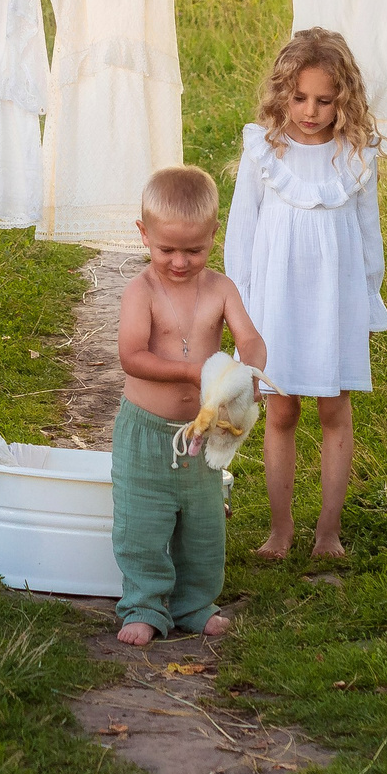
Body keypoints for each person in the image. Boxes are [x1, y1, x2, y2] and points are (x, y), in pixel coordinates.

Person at [226, 28, 386, 560]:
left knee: (334, 410)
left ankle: (328, 533)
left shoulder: (355, 158)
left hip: (334, 303)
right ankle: (280, 529)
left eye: (324, 100)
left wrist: (367, 298)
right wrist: (242, 310)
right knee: (281, 412)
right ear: (282, 94)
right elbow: (242, 232)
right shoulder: (263, 150)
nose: (310, 111)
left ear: (345, 99)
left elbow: (368, 235)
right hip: (276, 301)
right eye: (299, 98)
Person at [113, 165, 269, 647]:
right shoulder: (143, 291)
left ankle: (194, 602)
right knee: (141, 524)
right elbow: (131, 356)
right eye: (167, 250)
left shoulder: (221, 289)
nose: (180, 262)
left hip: (203, 432)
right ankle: (143, 604)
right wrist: (192, 372)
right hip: (146, 431)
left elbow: (250, 338)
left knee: (202, 527)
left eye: (194, 250)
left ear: (213, 235)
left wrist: (249, 373)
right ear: (144, 235)